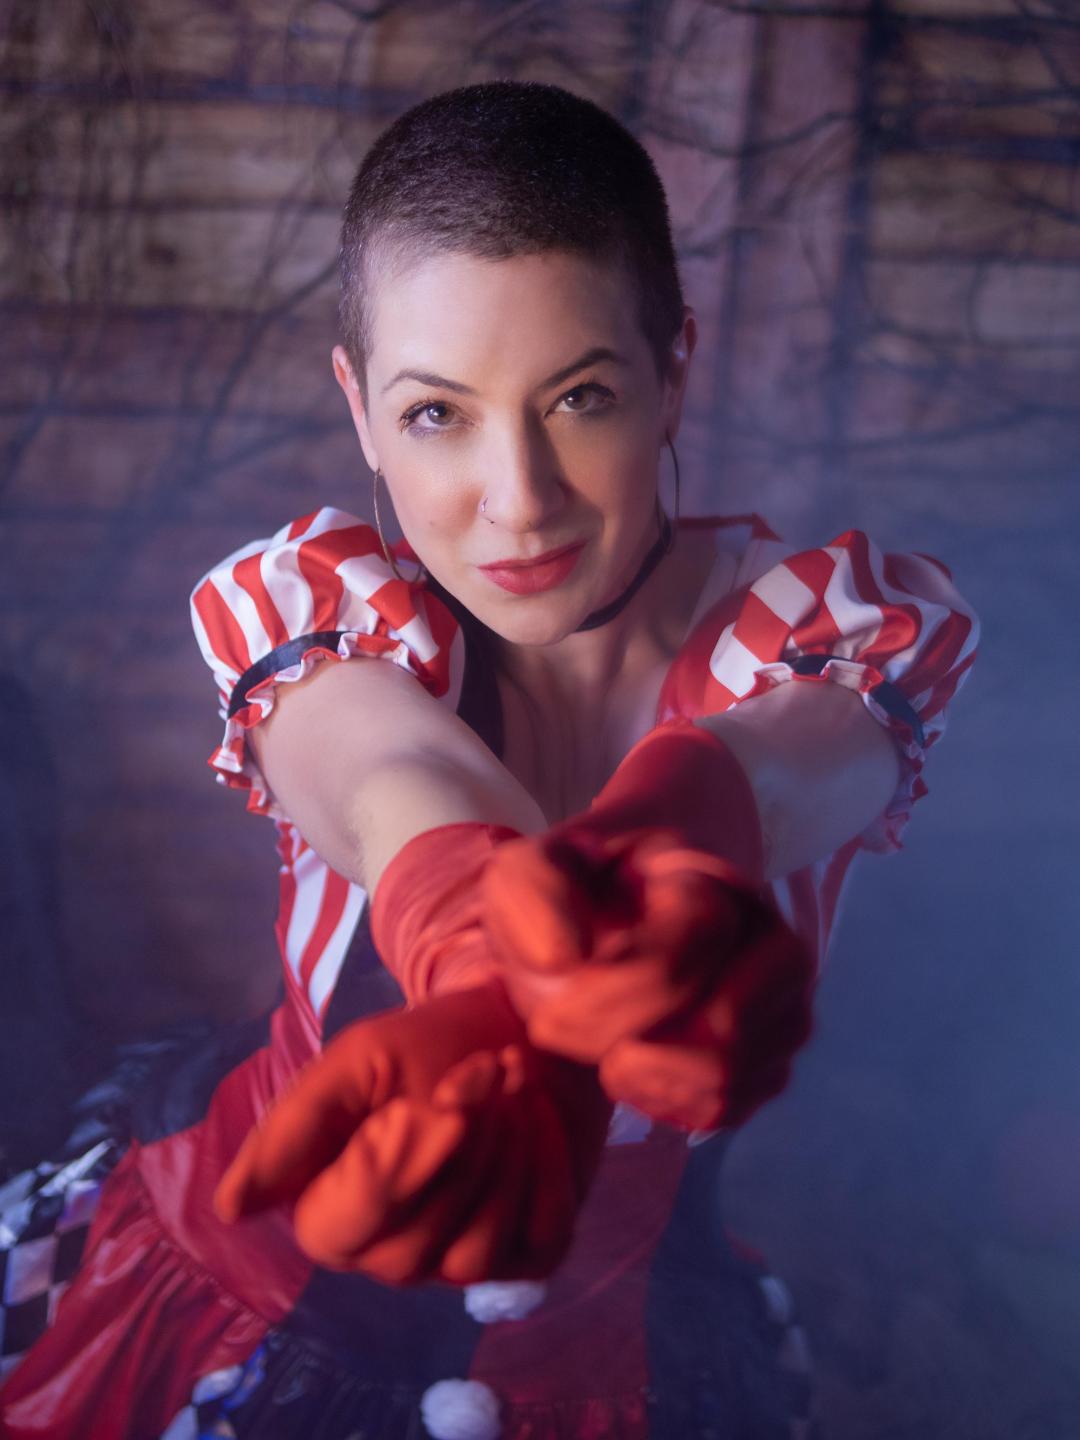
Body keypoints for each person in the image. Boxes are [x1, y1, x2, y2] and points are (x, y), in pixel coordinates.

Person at [0, 81, 979, 1439]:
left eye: (580, 398)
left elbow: (762, 773)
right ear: (358, 408)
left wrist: (638, 876)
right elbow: (386, 781)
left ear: (674, 371)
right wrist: (485, 966)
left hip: (625, 1368)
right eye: (436, 414)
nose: (519, 500)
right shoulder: (323, 626)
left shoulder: (831, 645)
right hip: (235, 1304)